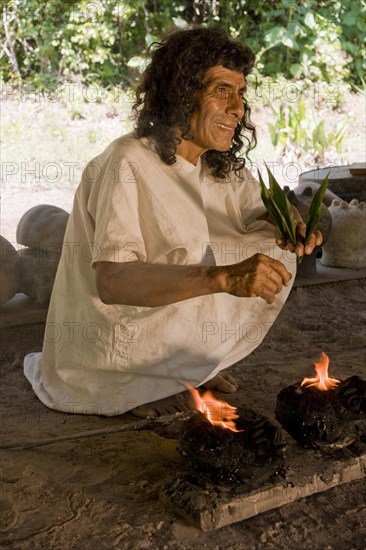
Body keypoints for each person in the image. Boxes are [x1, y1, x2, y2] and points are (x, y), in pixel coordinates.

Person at [23, 27, 321, 418]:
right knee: (226, 267)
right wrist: (225, 278)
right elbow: (112, 283)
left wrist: (289, 220)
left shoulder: (217, 166)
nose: (238, 108)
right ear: (182, 93)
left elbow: (256, 208)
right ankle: (140, 383)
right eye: (222, 90)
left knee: (264, 241)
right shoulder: (126, 162)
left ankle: (187, 367)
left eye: (241, 93)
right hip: (112, 346)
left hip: (168, 334)